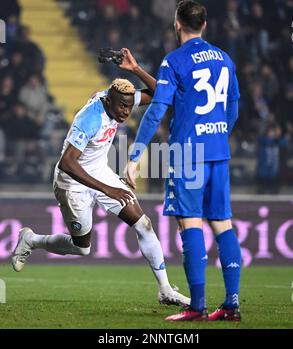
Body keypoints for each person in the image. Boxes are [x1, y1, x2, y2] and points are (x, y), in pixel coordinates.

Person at [11, 48, 190, 308]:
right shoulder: (90, 117)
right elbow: (67, 162)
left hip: (99, 172)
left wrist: (136, 69)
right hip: (71, 182)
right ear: (108, 101)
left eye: (130, 107)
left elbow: (161, 94)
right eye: (122, 107)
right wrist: (109, 189)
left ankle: (165, 290)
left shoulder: (120, 100)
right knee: (82, 248)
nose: (127, 113)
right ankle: (31, 239)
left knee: (144, 224)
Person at [125, 1, 242, 321]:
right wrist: (218, 135)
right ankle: (232, 305)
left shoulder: (174, 61)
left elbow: (155, 111)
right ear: (204, 25)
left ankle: (197, 306)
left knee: (189, 223)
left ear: (177, 24)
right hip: (218, 151)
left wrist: (134, 157)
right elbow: (233, 106)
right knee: (222, 224)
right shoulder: (225, 58)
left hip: (188, 153)